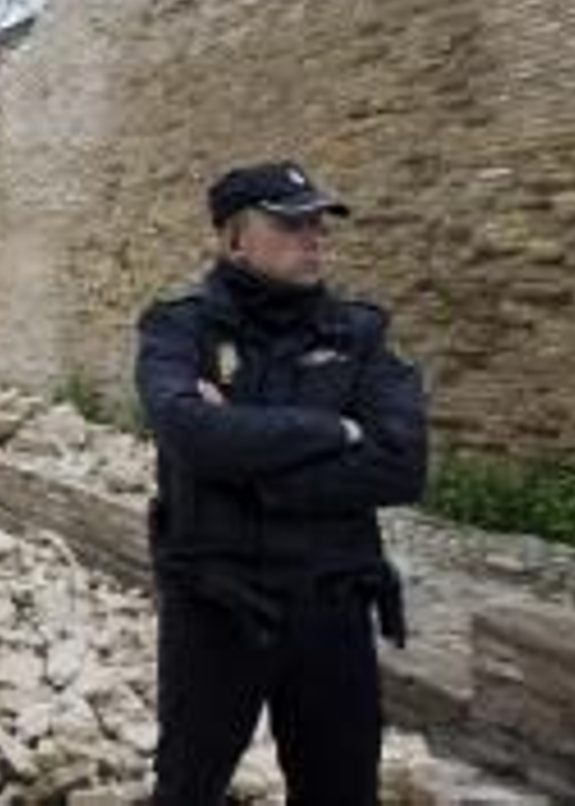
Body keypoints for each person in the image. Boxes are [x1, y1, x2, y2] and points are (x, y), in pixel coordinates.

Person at [135, 161, 427, 805]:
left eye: (320, 223)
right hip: (218, 607)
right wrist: (336, 430)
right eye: (292, 224)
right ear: (235, 237)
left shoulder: (358, 332)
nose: (315, 237)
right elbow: (189, 435)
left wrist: (249, 467)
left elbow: (403, 464)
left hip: (333, 604)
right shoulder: (180, 329)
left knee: (342, 789)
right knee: (188, 786)